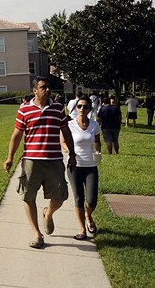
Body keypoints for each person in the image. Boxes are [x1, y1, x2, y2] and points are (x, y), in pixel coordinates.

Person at [3, 76, 76, 249]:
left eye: (49, 87)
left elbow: (66, 133)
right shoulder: (24, 110)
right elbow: (17, 135)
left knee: (59, 197)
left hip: (54, 160)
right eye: (43, 87)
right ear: (34, 90)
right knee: (28, 197)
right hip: (31, 160)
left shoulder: (58, 109)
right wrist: (10, 157)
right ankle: (37, 234)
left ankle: (48, 214)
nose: (47, 90)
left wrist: (72, 154)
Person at [61, 96, 102, 240]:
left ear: (90, 109)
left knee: (92, 201)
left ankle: (88, 215)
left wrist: (98, 152)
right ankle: (82, 229)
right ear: (76, 108)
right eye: (79, 106)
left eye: (85, 106)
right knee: (79, 198)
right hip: (74, 166)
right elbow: (63, 142)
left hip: (91, 166)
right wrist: (70, 152)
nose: (82, 109)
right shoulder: (70, 125)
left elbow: (97, 141)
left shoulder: (94, 125)